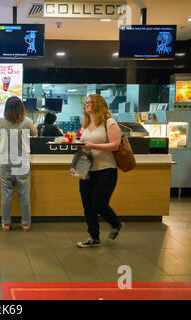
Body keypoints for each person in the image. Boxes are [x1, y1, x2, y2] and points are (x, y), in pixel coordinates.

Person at [77, 94, 123, 248]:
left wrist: (93, 146)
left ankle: (116, 223)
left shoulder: (109, 123)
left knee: (99, 204)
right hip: (86, 168)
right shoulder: (85, 123)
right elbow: (83, 143)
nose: (87, 105)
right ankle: (94, 237)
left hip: (105, 170)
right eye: (86, 102)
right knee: (87, 206)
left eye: (91, 102)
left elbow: (115, 145)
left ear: (99, 104)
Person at [0, 97, 38, 232]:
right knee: (24, 195)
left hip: (6, 162)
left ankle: (6, 224)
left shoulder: (1, 121)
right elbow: (35, 134)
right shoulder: (28, 122)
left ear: (6, 108)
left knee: (6, 195)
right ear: (21, 108)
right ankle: (25, 224)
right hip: (23, 162)